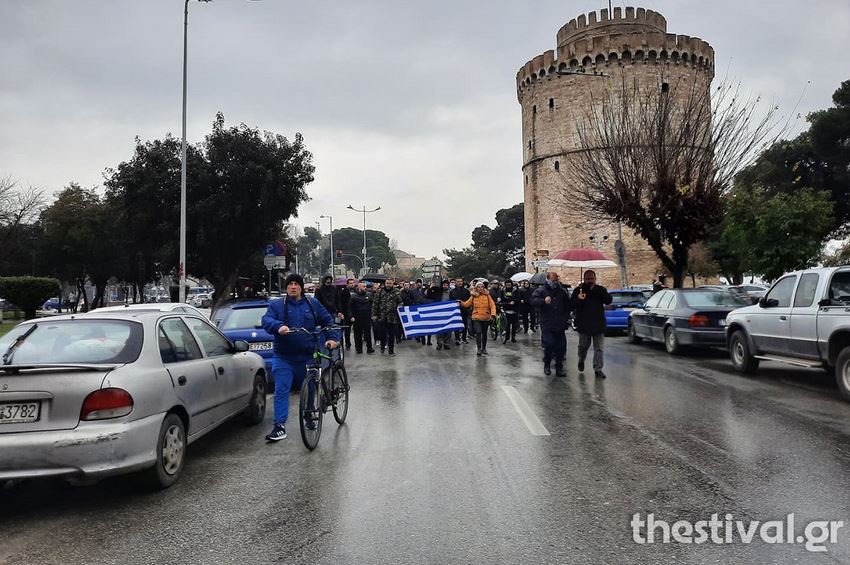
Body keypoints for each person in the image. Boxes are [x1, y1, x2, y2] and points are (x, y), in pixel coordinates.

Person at [261, 273, 340, 442]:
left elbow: (328, 321)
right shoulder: (277, 305)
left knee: (311, 386)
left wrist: (333, 339)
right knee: (281, 390)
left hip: (307, 355)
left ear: (301, 287)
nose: (293, 287)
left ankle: (309, 414)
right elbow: (266, 320)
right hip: (284, 356)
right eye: (290, 284)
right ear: (286, 287)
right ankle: (279, 426)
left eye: (296, 284)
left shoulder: (312, 304)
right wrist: (278, 326)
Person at [571, 270, 613, 379]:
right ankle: (581, 359)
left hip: (598, 323)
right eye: (588, 279)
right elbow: (571, 305)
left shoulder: (600, 289)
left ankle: (598, 369)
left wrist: (599, 292)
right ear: (584, 279)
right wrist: (579, 300)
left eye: (592, 279)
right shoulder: (578, 290)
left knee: (599, 348)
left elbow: (608, 300)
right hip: (584, 324)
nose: (590, 281)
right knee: (583, 346)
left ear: (595, 278)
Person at [530, 271, 571, 377]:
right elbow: (533, 300)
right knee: (549, 344)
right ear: (548, 279)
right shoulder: (541, 290)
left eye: (556, 280)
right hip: (547, 323)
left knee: (561, 347)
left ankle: (559, 368)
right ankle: (547, 365)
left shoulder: (561, 291)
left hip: (560, 324)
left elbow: (568, 305)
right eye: (553, 280)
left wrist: (567, 317)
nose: (555, 282)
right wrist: (543, 301)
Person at [459, 281, 497, 356]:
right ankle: (479, 349)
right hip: (476, 317)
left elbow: (492, 305)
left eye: (481, 287)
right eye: (479, 287)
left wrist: (493, 315)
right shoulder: (473, 296)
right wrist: (460, 302)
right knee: (478, 332)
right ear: (476, 288)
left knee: (484, 333)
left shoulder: (487, 296)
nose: (480, 288)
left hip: (486, 317)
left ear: (483, 288)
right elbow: (467, 304)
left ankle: (484, 348)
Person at [372, 278, 403, 355]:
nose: (388, 285)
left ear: (393, 284)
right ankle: (382, 346)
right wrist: (374, 314)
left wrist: (400, 306)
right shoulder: (380, 291)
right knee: (382, 333)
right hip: (382, 316)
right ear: (385, 284)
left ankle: (391, 350)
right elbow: (375, 304)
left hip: (392, 317)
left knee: (392, 334)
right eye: (387, 283)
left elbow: (400, 302)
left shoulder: (396, 292)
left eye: (390, 283)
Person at [349, 281, 375, 354]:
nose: (365, 288)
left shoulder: (369, 295)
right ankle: (358, 349)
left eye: (365, 286)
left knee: (368, 334)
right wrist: (351, 316)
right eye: (363, 286)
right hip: (357, 318)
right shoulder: (353, 296)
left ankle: (369, 348)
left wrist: (373, 314)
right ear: (359, 287)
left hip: (367, 317)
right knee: (357, 334)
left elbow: (373, 305)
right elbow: (350, 307)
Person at [450, 277, 471, 345]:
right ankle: (457, 338)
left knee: (464, 325)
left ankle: (464, 338)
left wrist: (468, 308)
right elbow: (450, 301)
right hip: (456, 311)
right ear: (455, 282)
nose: (459, 283)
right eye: (458, 281)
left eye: (461, 281)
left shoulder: (466, 291)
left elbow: (469, 300)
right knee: (456, 325)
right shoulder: (452, 291)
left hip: (465, 310)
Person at [434, 278, 454, 350]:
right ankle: (439, 342)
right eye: (444, 285)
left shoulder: (451, 292)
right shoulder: (438, 292)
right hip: (439, 313)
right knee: (439, 329)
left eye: (446, 285)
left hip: (448, 313)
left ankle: (446, 343)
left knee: (448, 329)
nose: (445, 286)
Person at [337, 278, 354, 350]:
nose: (352, 284)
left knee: (348, 330)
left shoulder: (355, 291)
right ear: (347, 284)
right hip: (344, 313)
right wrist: (341, 312)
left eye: (352, 283)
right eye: (350, 283)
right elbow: (340, 303)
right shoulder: (343, 292)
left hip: (352, 313)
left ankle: (348, 344)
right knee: (342, 330)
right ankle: (341, 343)